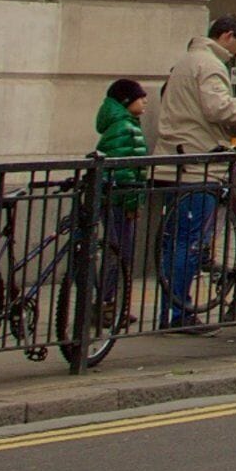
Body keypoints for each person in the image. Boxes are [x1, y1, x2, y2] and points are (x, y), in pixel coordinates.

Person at [150, 18, 236, 326]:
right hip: (197, 165)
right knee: (187, 243)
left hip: (176, 161)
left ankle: (171, 309)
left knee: (174, 241)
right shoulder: (210, 64)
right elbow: (218, 109)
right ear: (227, 35)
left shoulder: (188, 61)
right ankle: (178, 313)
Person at [92, 79, 148, 326]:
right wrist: (133, 204)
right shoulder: (126, 128)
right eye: (140, 97)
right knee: (119, 252)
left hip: (111, 196)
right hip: (120, 198)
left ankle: (111, 304)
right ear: (127, 101)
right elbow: (128, 172)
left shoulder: (119, 124)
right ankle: (107, 304)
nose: (145, 100)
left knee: (117, 252)